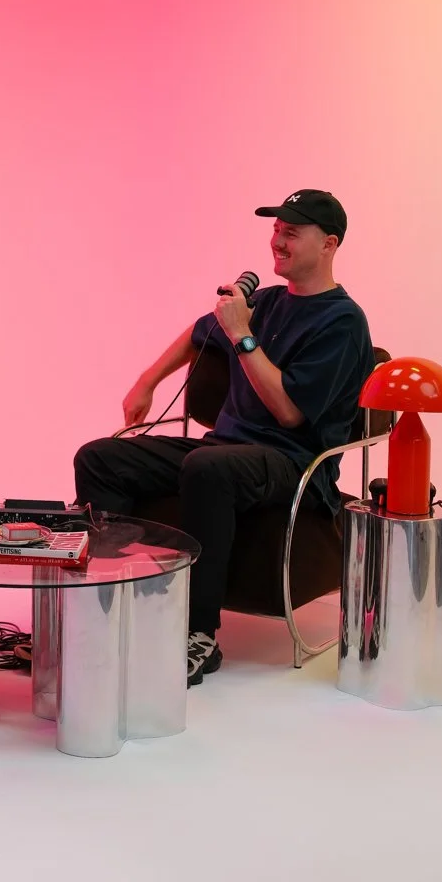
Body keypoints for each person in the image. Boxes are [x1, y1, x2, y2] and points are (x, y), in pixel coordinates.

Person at [73, 190, 374, 687]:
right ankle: (107, 604)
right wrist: (147, 381)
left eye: (292, 232)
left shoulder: (342, 321)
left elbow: (291, 412)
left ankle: (198, 635)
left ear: (329, 244)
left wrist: (244, 337)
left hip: (293, 461)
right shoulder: (268, 301)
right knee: (101, 458)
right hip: (223, 450)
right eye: (276, 230)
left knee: (208, 468)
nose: (278, 240)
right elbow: (197, 333)